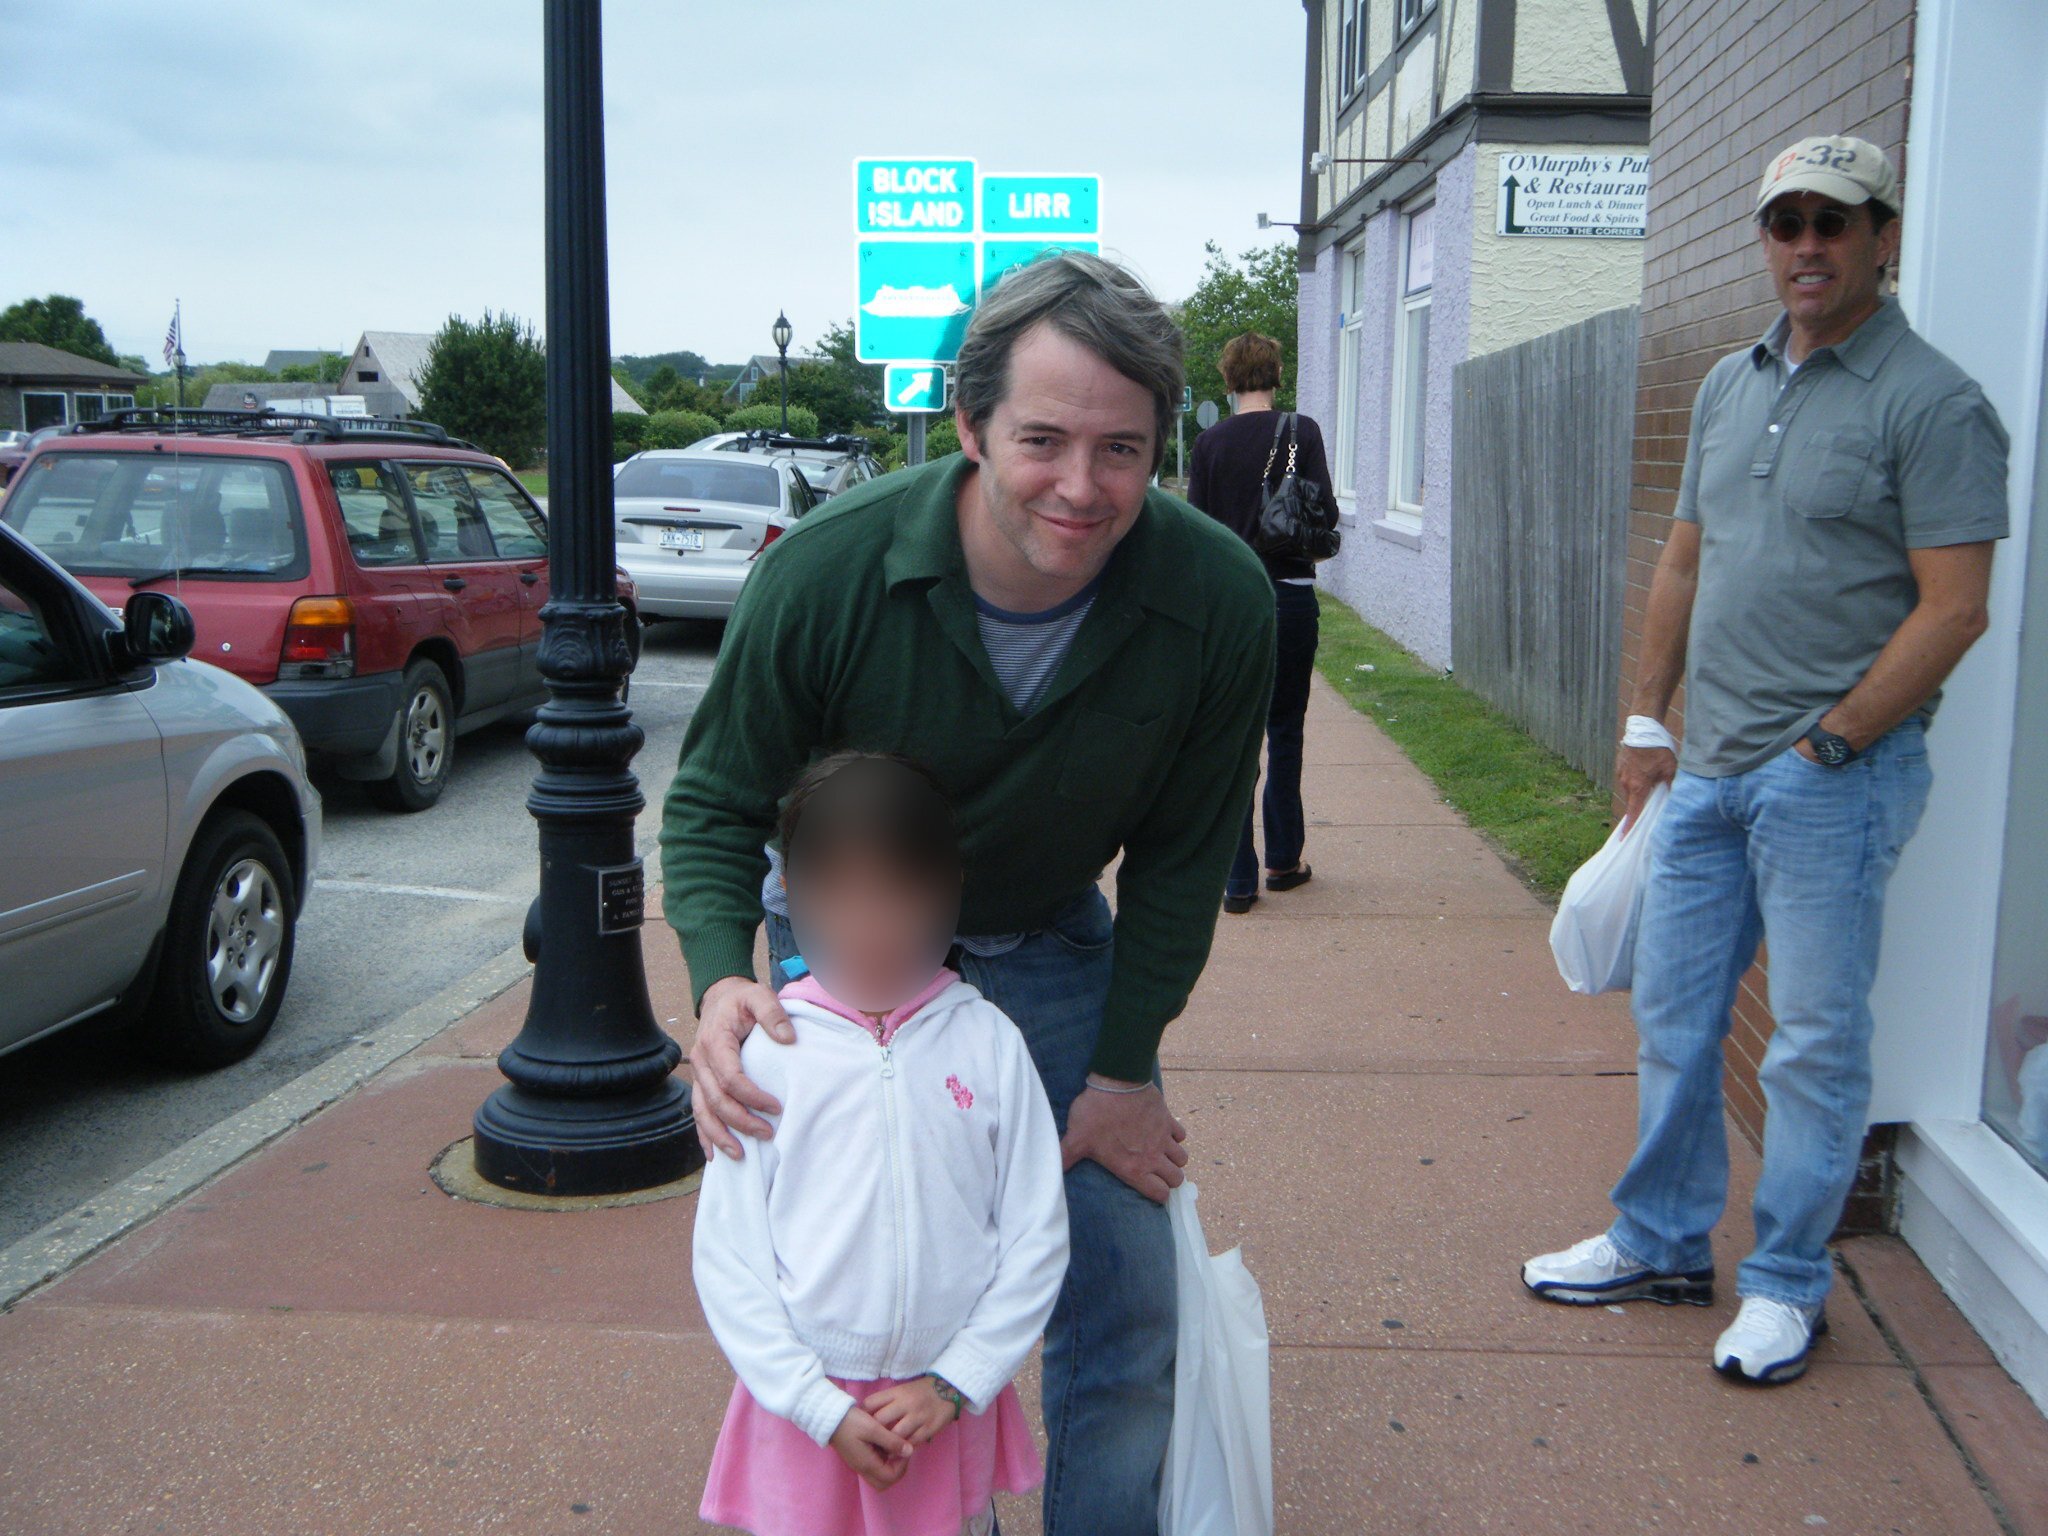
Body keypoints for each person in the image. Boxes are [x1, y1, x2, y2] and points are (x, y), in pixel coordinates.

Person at [662, 250, 1275, 1533]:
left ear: (1163, 445)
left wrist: (1122, 1071)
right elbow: (717, 802)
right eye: (1042, 437)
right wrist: (723, 974)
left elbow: (1178, 860)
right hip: (839, 951)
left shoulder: (1215, 598)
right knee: (856, 1277)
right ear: (967, 424)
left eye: (1122, 448)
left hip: (1053, 949)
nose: (1080, 485)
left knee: (1124, 1298)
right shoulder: (824, 576)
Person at [1522, 135, 2010, 1385]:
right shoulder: (1732, 386)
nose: (1804, 245)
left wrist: (1829, 742)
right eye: (1783, 223)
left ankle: (1789, 1282)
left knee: (1809, 1043)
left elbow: (1954, 608)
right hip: (1704, 774)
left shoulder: (1934, 401)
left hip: (1829, 783)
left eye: (1831, 224)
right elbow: (1684, 559)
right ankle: (1660, 1241)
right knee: (1677, 1023)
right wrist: (1645, 724)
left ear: (1880, 239)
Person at [694, 753, 1068, 1536]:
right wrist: (812, 1401)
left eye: (902, 895)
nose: (873, 926)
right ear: (791, 897)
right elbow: (729, 1258)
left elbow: (1037, 1237)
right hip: (808, 1416)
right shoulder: (771, 1054)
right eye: (842, 895)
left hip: (941, 1407)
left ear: (950, 890)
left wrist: (957, 1379)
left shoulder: (990, 1043)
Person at [1187, 331, 1335, 914]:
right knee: (1286, 729)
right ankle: (1283, 860)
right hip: (1292, 594)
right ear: (1276, 375)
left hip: (1231, 605)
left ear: (1227, 379)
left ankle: (1238, 879)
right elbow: (1324, 510)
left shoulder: (1209, 444)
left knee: (1235, 737)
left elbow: (1196, 531)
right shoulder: (1304, 432)